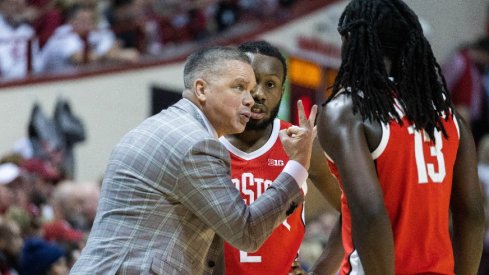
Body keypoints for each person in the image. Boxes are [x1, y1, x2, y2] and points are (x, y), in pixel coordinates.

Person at [70, 45, 317, 274]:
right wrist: (297, 165)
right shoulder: (195, 144)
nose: (250, 99)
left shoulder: (163, 125)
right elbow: (246, 233)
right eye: (239, 87)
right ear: (201, 89)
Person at [312, 0, 485, 274]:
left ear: (349, 39)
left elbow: (369, 213)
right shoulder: (448, 115)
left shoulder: (346, 110)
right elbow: (472, 215)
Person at [219, 40, 341, 274]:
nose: (258, 93)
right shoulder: (206, 142)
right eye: (250, 82)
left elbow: (354, 210)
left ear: (282, 91)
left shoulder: (301, 143)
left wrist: (321, 271)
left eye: (270, 84)